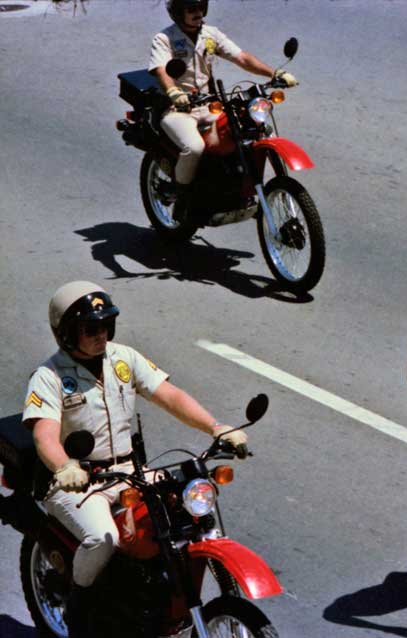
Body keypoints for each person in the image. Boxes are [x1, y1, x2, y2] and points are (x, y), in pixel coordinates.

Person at [22, 281, 249, 635]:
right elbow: (44, 435)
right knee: (103, 539)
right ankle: (78, 608)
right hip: (78, 482)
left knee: (187, 509)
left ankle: (163, 599)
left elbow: (169, 396)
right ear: (66, 333)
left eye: (106, 325)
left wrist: (216, 427)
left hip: (129, 471)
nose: (101, 334)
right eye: (90, 329)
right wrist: (65, 466)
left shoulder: (123, 358)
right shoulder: (49, 377)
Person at [148, 0, 299, 219]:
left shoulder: (210, 34)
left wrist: (274, 74)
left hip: (209, 104)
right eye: (191, 9)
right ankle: (180, 194)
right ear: (179, 12)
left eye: (201, 7)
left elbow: (242, 57)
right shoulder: (164, 38)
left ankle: (246, 185)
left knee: (254, 128)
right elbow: (161, 70)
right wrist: (173, 92)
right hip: (178, 109)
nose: (198, 12)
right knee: (195, 147)